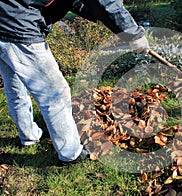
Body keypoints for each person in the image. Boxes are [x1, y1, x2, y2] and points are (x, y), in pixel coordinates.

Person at [0, 0, 149, 165]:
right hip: (17, 27)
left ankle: (29, 136)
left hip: (5, 19)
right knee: (55, 93)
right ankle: (71, 154)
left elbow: (75, 1)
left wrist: (97, 16)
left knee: (15, 85)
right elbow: (105, 1)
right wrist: (133, 34)